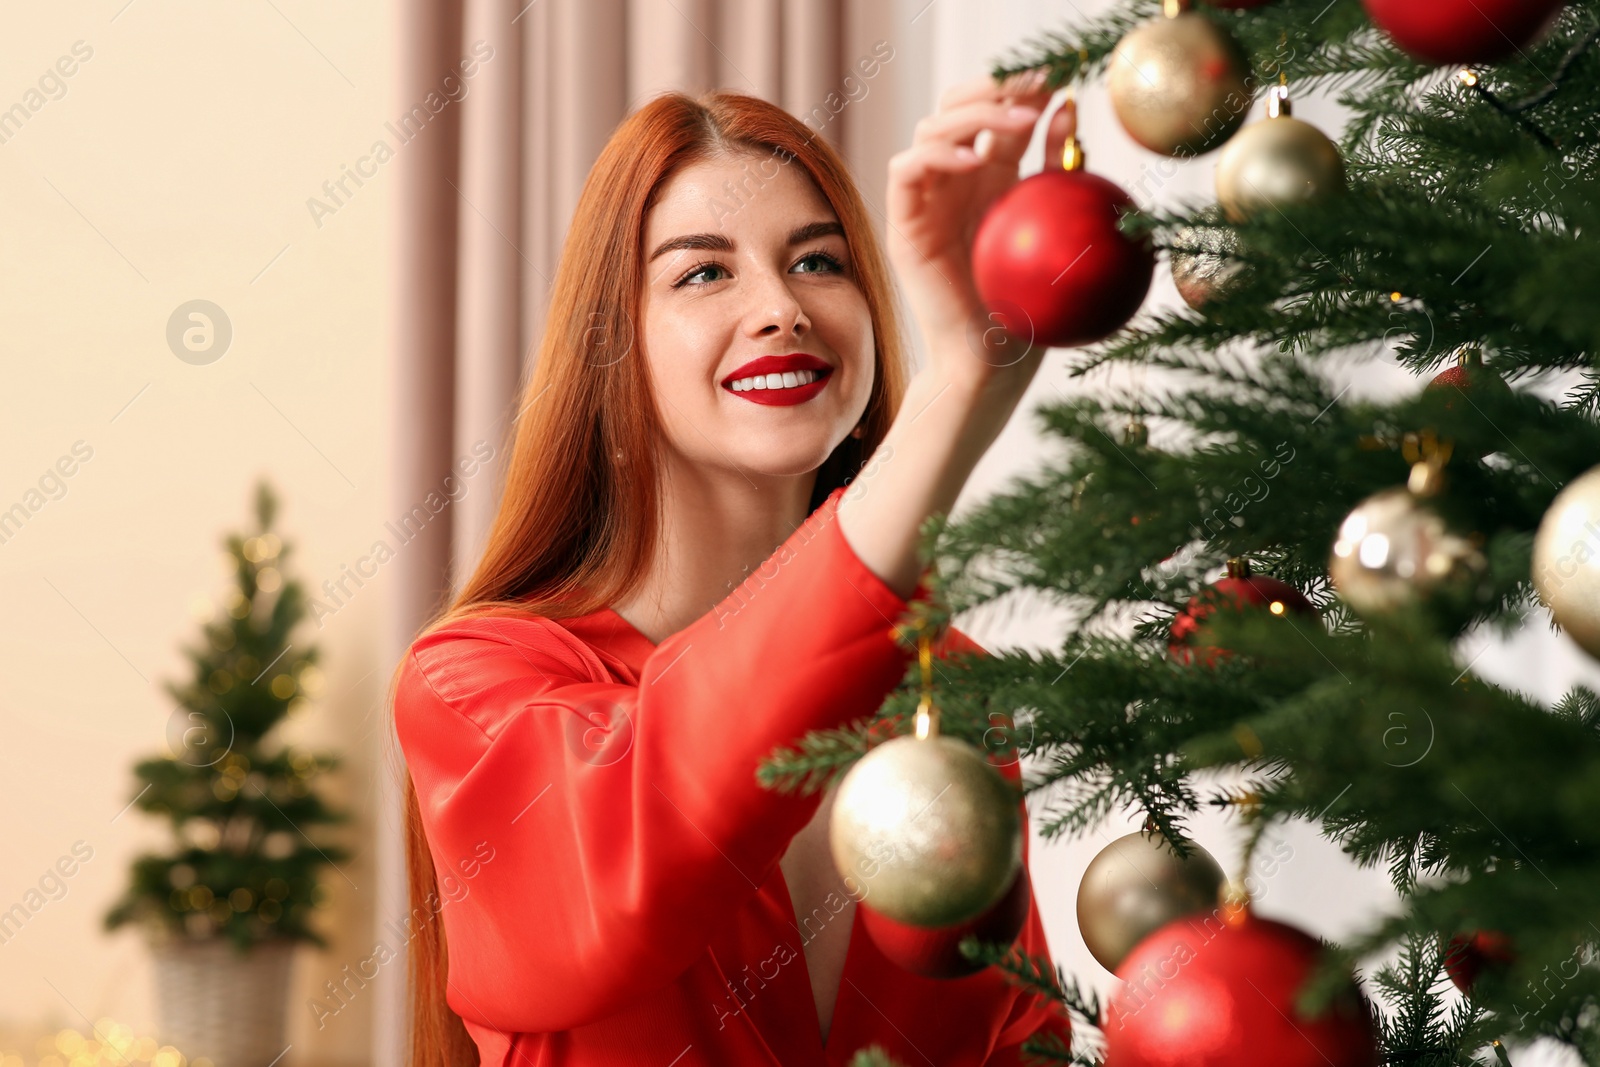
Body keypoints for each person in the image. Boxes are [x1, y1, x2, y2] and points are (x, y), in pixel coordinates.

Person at [390, 71, 1078, 1066]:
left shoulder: (951, 690)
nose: (781, 308)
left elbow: (1025, 1039)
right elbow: (651, 827)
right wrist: (959, 388)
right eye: (702, 273)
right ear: (612, 341)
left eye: (817, 261)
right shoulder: (473, 684)